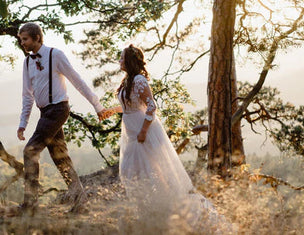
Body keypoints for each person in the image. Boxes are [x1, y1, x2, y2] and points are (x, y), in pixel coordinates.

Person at [101, 44, 233, 233]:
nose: (119, 61)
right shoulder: (127, 80)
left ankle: (170, 210)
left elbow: (151, 107)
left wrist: (144, 131)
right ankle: (148, 209)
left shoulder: (139, 80)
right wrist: (111, 110)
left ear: (129, 60)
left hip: (143, 131)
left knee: (155, 170)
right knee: (131, 170)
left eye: (122, 58)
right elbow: (130, 106)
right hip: (130, 131)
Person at [17, 23, 107, 214]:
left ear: (37, 38)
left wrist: (97, 105)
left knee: (30, 151)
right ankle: (80, 200)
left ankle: (30, 204)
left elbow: (76, 80)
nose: (22, 42)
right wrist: (22, 123)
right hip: (45, 113)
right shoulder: (27, 62)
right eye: (21, 39)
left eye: (25, 39)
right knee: (60, 157)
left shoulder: (55, 55)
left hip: (58, 109)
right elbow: (27, 95)